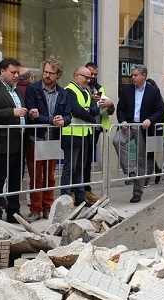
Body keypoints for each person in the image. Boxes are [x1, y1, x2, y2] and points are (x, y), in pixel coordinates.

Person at [25, 58, 72, 221]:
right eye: (45, 72)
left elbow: (68, 115)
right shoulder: (33, 89)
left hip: (53, 138)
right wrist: (51, 120)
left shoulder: (63, 93)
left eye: (51, 73)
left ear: (58, 75)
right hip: (36, 138)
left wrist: (63, 121)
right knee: (36, 175)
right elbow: (32, 115)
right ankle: (35, 208)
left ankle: (48, 206)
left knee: (50, 176)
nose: (47, 75)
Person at [0, 57, 28, 223]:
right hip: (2, 142)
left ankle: (13, 212)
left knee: (16, 178)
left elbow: (20, 113)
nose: (16, 75)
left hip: (19, 140)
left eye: (18, 72)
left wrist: (30, 113)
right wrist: (12, 112)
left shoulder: (15, 91)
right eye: (13, 72)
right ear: (2, 72)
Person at [114, 65, 164, 203]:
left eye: (135, 75)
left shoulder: (153, 91)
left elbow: (160, 111)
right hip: (129, 126)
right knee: (117, 140)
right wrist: (122, 121)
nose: (133, 78)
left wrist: (150, 120)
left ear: (144, 76)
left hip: (143, 128)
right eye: (132, 75)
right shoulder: (126, 90)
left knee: (141, 160)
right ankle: (130, 171)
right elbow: (120, 109)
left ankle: (137, 192)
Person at [61, 66, 99, 207]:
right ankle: (64, 198)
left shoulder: (85, 91)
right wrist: (90, 114)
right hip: (71, 134)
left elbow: (95, 109)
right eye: (85, 77)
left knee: (80, 168)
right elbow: (76, 111)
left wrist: (88, 111)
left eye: (90, 78)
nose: (88, 80)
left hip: (83, 134)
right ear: (76, 75)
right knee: (69, 168)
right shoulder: (69, 90)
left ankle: (80, 197)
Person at [83, 62, 114, 201]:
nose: (93, 76)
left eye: (95, 74)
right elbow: (78, 107)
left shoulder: (99, 88)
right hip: (82, 129)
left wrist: (110, 104)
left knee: (88, 161)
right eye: (91, 73)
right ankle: (78, 190)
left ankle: (86, 190)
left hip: (95, 129)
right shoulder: (81, 87)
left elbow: (109, 111)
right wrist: (91, 100)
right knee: (80, 161)